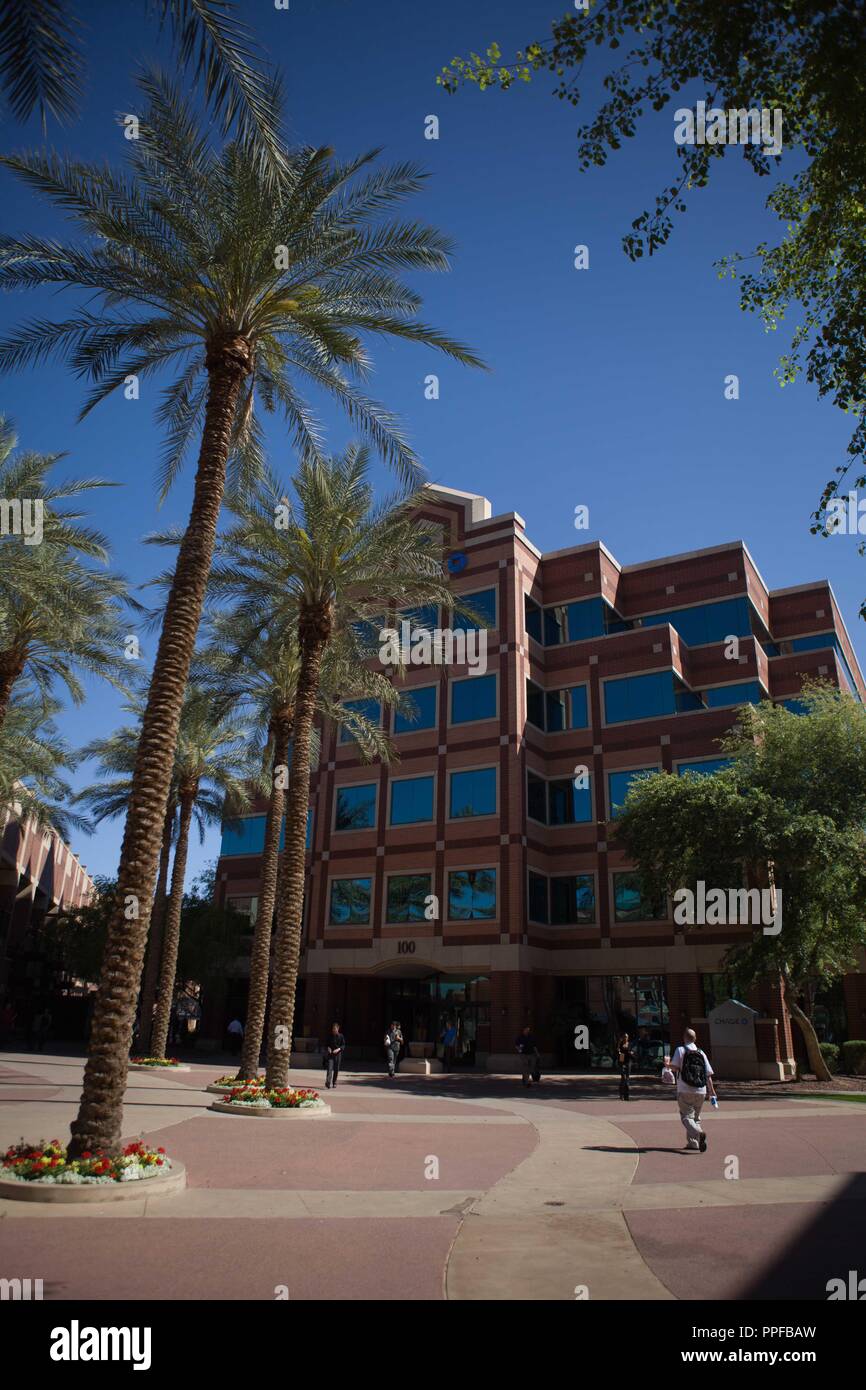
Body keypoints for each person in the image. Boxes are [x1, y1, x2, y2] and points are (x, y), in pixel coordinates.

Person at [667, 1028, 716, 1152]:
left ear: (684, 1037)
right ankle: (693, 1144)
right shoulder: (701, 1052)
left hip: (685, 1088)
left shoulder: (681, 1050)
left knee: (686, 1117)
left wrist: (667, 1065)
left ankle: (698, 1134)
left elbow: (675, 1067)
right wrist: (712, 1091)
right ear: (695, 1039)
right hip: (701, 1090)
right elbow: (708, 1074)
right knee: (695, 1118)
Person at [323, 1021, 346, 1089]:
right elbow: (326, 1044)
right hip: (331, 1055)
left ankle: (334, 1082)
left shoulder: (341, 1036)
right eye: (333, 1029)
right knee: (329, 1068)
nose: (334, 1030)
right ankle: (328, 1083)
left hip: (338, 1055)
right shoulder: (330, 1036)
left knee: (336, 1069)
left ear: (338, 1029)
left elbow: (343, 1045)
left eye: (335, 1029)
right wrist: (328, 1048)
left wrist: (338, 1049)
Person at [617, 1031, 634, 1101]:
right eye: (624, 1037)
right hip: (622, 1062)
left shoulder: (630, 1044)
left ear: (628, 1038)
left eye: (626, 1037)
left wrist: (631, 1053)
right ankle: (621, 1094)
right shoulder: (620, 1044)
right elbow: (617, 1051)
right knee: (623, 1078)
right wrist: (619, 1052)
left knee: (627, 1079)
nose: (625, 1038)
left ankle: (626, 1096)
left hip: (628, 1062)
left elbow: (633, 1052)